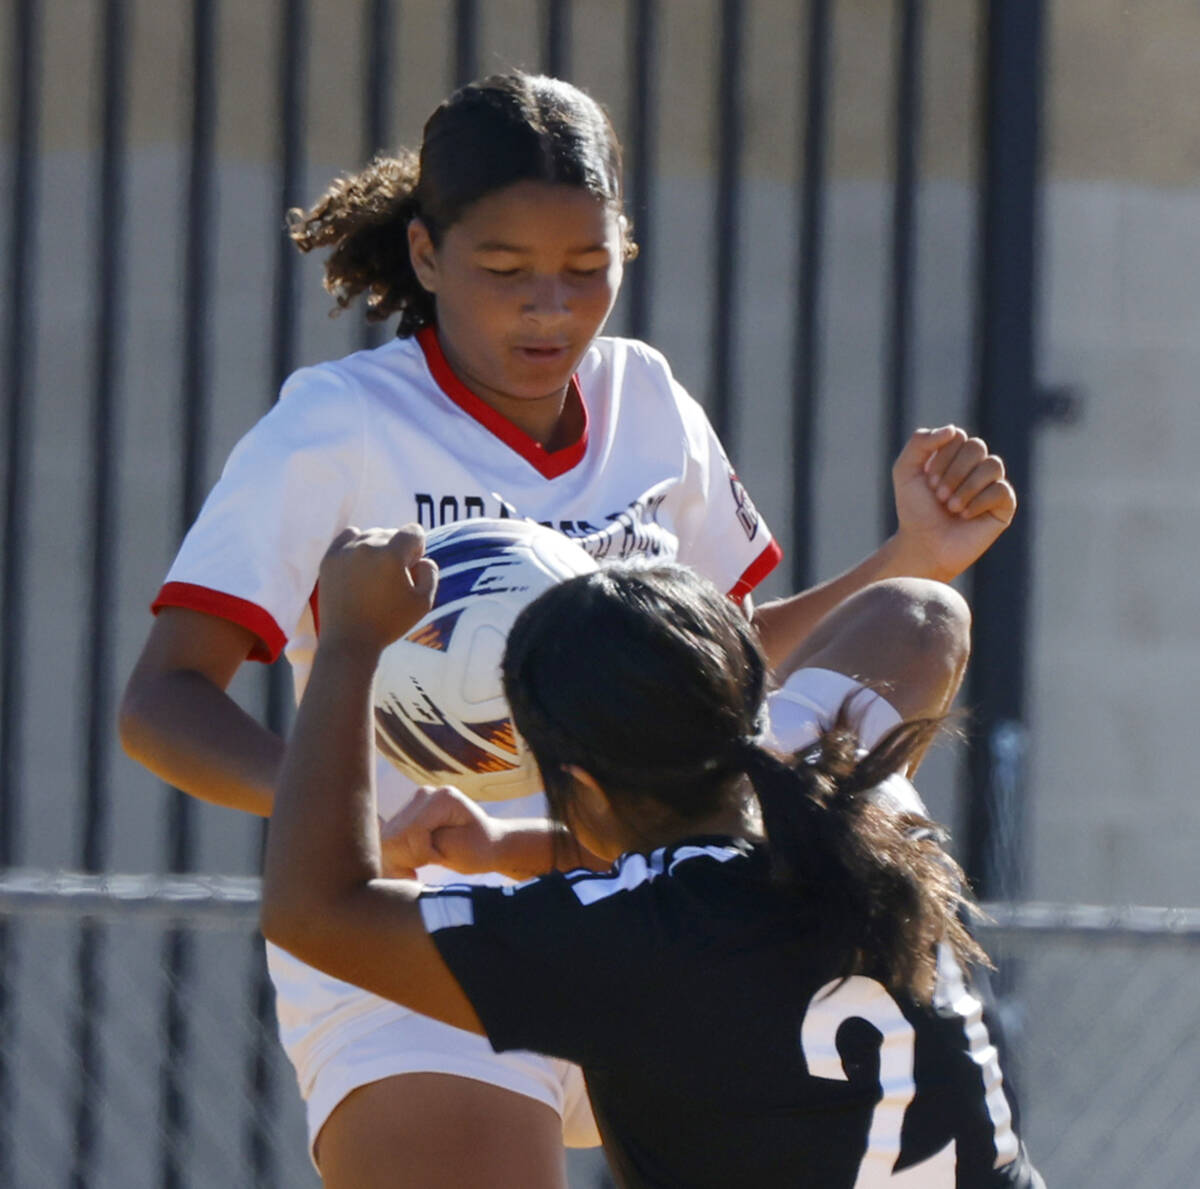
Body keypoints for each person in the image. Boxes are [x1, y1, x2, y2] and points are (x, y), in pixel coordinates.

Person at [118, 71, 1015, 1188]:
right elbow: (161, 704)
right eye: (503, 271)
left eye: (586, 270)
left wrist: (911, 557)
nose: (549, 306)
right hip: (428, 928)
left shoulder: (649, 402)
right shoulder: (334, 427)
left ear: (625, 251)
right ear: (428, 255)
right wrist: (370, 805)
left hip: (667, 916)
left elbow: (727, 663)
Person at [260, 528, 1044, 1189]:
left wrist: (349, 644)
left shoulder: (624, 944)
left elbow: (314, 911)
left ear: (582, 784)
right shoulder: (860, 797)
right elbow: (920, 609)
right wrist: (511, 847)